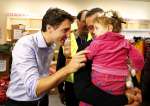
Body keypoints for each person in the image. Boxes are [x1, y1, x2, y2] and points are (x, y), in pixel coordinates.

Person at [5, 8, 88, 106]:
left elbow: (38, 69)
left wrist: (49, 71)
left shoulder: (51, 45)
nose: (68, 34)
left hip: (43, 99)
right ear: (49, 28)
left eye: (69, 30)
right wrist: (68, 69)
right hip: (21, 102)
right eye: (65, 30)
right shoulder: (25, 44)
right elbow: (33, 89)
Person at [74, 8, 143, 106]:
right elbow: (82, 91)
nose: (94, 31)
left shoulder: (123, 44)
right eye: (90, 27)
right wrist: (123, 100)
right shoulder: (85, 49)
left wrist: (136, 89)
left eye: (97, 25)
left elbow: (129, 69)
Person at [56, 9, 89, 106]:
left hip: (90, 87)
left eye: (88, 22)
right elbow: (60, 65)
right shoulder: (68, 39)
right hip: (72, 87)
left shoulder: (95, 38)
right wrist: (61, 89)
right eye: (84, 22)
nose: (87, 25)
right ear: (77, 22)